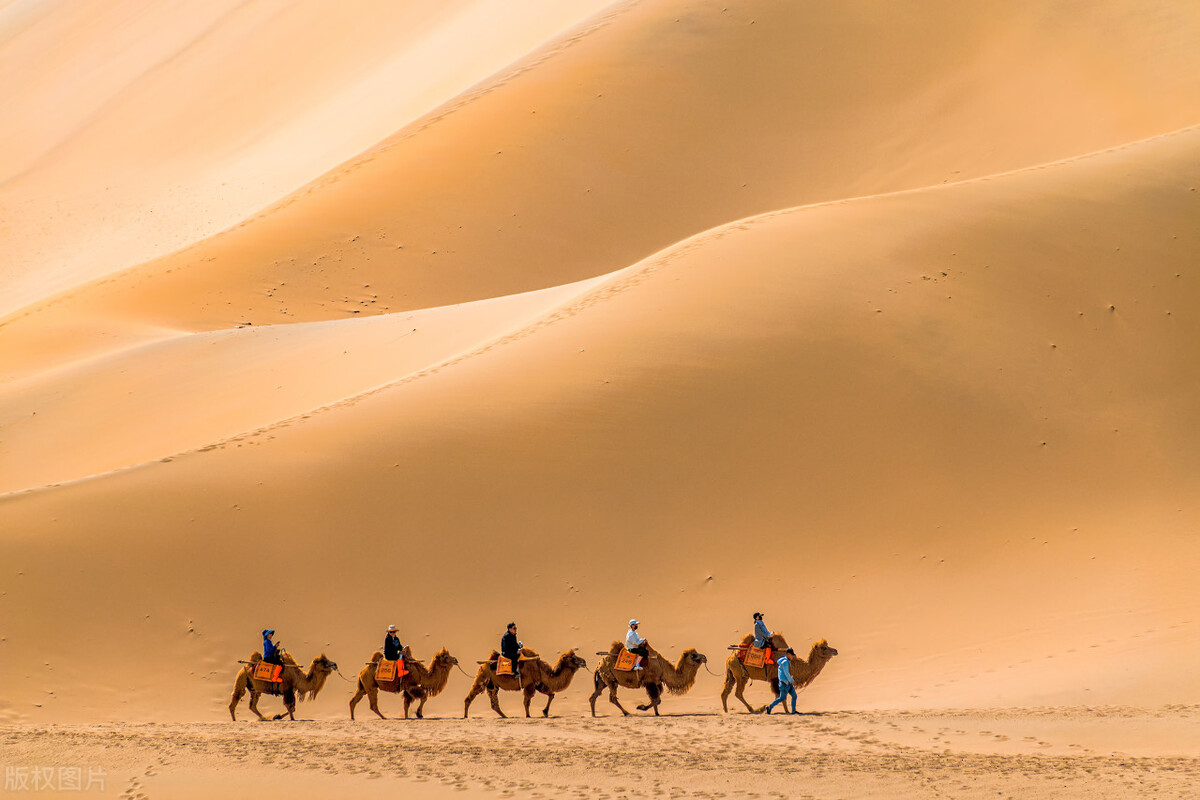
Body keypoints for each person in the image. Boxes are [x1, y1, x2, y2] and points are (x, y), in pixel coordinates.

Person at [765, 648, 798, 715]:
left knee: (794, 696)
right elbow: (786, 673)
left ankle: (794, 711)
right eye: (792, 655)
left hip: (788, 684)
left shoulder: (786, 661)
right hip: (784, 684)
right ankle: (769, 707)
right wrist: (792, 681)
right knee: (781, 698)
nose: (793, 657)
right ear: (788, 655)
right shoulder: (785, 663)